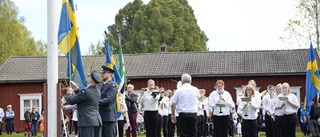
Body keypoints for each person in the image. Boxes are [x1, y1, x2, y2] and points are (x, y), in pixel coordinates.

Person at [67, 70, 103, 137]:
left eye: (89, 76)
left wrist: (69, 93)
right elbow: (85, 97)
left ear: (91, 81)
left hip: (87, 122)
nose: (87, 76)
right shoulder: (98, 91)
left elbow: (71, 101)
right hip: (96, 121)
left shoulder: (85, 92)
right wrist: (77, 89)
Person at [99, 65, 118, 137]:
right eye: (102, 73)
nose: (102, 75)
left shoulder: (112, 85)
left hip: (108, 117)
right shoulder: (101, 86)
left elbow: (109, 99)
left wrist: (96, 102)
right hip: (100, 115)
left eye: (104, 73)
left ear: (110, 74)